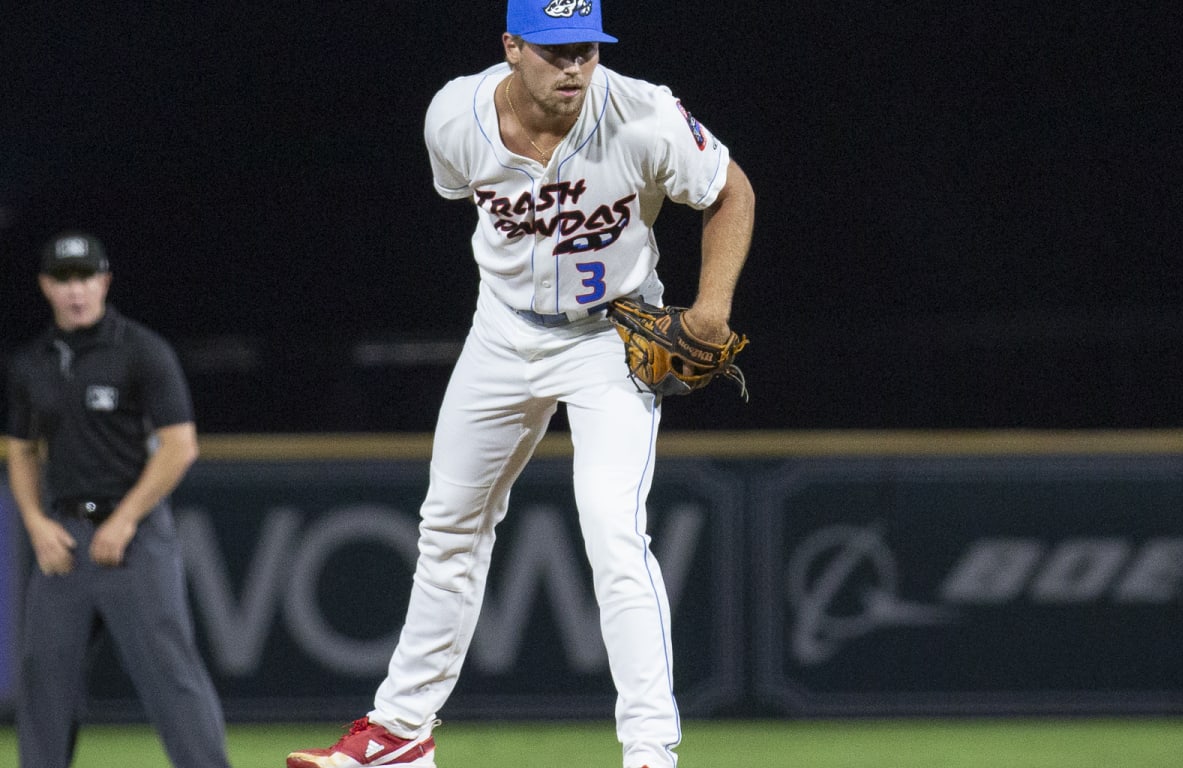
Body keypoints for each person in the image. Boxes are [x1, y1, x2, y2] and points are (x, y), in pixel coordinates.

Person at [286, 2, 755, 768]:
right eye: (555, 50)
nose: (574, 66)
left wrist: (711, 308)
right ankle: (402, 734)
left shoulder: (643, 115)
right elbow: (463, 201)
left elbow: (731, 188)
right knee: (450, 526)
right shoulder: (455, 118)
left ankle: (649, 754)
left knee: (612, 530)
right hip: (502, 331)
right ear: (511, 47)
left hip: (612, 338)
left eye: (587, 50)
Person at [4, 232, 232, 768]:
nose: (75, 290)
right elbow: (20, 451)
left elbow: (180, 446)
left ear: (104, 281)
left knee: (171, 678)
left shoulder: (141, 351)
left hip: (135, 537)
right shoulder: (31, 362)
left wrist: (126, 519)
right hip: (64, 538)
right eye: (63, 279)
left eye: (85, 277)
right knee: (42, 681)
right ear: (45, 286)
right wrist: (35, 524)